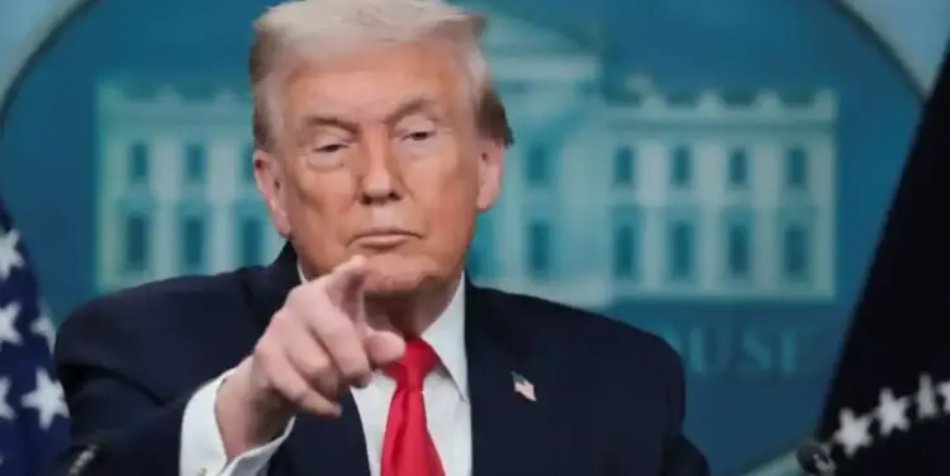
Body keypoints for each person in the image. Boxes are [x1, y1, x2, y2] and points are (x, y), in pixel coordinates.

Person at [51, 0, 708, 474]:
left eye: (417, 136)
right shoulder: (141, 348)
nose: (379, 181)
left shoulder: (620, 382)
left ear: (486, 167)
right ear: (275, 190)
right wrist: (245, 411)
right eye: (332, 146)